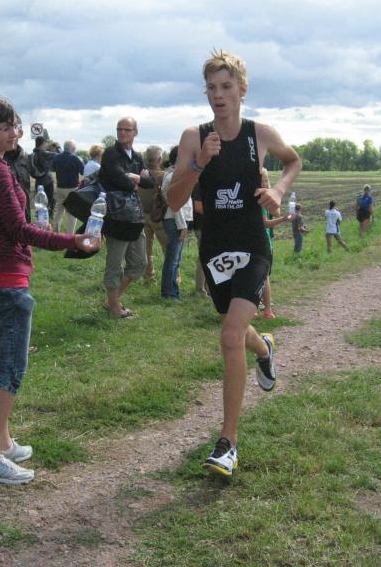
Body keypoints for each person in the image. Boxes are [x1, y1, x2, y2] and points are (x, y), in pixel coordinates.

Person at [167, 49, 301, 477]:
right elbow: (173, 199)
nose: (218, 95)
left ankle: (228, 443)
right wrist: (199, 163)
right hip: (215, 248)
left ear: (242, 90)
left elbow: (293, 160)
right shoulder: (194, 137)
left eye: (226, 87)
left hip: (253, 244)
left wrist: (278, 190)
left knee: (228, 336)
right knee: (236, 329)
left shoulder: (259, 134)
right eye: (211, 88)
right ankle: (265, 348)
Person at [0, 96, 98, 485]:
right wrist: (72, 240)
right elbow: (19, 229)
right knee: (10, 369)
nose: (14, 133)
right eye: (5, 127)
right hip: (4, 280)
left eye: (16, 125)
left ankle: (1, 442)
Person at [99, 117, 152, 318]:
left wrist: (135, 178)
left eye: (127, 129)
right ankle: (115, 308)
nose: (122, 132)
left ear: (135, 132)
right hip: (116, 217)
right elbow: (121, 180)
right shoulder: (111, 153)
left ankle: (111, 301)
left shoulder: (137, 156)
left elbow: (150, 182)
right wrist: (137, 179)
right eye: (119, 129)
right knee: (114, 264)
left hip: (135, 217)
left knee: (139, 263)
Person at [259, 167, 292, 320]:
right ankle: (264, 308)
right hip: (259, 241)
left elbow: (276, 213)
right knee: (261, 276)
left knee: (263, 276)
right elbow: (266, 222)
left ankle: (265, 308)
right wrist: (283, 219)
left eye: (266, 181)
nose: (265, 184)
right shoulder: (258, 200)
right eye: (262, 181)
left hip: (264, 241)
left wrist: (273, 197)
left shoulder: (265, 199)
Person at [160, 148, 192, 300]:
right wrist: (182, 225)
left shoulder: (175, 175)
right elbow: (175, 203)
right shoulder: (173, 176)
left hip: (177, 220)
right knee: (173, 259)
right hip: (175, 221)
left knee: (175, 258)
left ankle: (173, 291)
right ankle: (169, 292)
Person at [138, 145, 166, 281]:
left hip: (143, 215)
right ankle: (173, 278)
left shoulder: (140, 175)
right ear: (159, 159)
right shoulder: (163, 176)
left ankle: (148, 275)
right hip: (159, 217)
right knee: (168, 249)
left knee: (146, 248)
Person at [3, 117, 33, 222]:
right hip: (8, 223)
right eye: (5, 128)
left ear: (20, 132)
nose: (11, 133)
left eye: (15, 127)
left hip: (25, 220)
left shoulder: (24, 157)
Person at [52, 140, 83, 233]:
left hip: (60, 187)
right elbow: (82, 171)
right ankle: (70, 235)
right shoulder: (75, 158)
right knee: (71, 213)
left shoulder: (57, 157)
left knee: (59, 211)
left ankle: (55, 232)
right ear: (72, 148)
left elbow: (53, 168)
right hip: (72, 188)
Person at [29, 136, 57, 224]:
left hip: (38, 181)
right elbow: (58, 155)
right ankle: (48, 219)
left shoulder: (32, 154)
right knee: (49, 201)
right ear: (43, 143)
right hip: (47, 180)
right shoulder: (44, 154)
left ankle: (40, 220)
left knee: (40, 202)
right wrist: (56, 147)